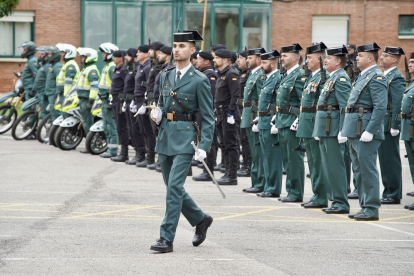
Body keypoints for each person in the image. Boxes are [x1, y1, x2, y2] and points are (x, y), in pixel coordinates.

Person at [149, 30, 215, 253]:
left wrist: (204, 146)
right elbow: (162, 103)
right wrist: (157, 114)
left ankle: (166, 238)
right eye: (175, 46)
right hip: (166, 135)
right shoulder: (166, 75)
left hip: (187, 138)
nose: (177, 49)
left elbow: (208, 117)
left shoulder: (200, 80)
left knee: (175, 187)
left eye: (182, 46)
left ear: (192, 50)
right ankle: (200, 219)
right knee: (172, 187)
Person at [342, 42, 387, 221]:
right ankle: (364, 206)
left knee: (368, 170)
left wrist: (371, 130)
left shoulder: (376, 77)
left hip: (365, 130)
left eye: (359, 56)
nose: (356, 58)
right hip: (355, 130)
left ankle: (371, 208)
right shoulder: (362, 75)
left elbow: (380, 107)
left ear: (369, 58)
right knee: (359, 170)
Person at [313, 45, 351, 214]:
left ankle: (341, 202)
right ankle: (334, 200)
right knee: (328, 166)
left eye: (328, 58)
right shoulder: (331, 78)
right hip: (325, 129)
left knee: (336, 167)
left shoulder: (341, 78)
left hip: (334, 129)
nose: (325, 60)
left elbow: (344, 107)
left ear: (338, 61)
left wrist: (343, 130)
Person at [297, 42, 328, 208]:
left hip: (314, 124)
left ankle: (321, 197)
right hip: (307, 124)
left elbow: (321, 104)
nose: (306, 61)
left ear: (319, 59)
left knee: (317, 163)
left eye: (309, 58)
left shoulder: (323, 77)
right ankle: (317, 195)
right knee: (313, 163)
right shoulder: (312, 76)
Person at [274, 43, 305, 202]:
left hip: (292, 121)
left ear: (294, 58)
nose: (282, 58)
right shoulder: (286, 75)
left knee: (294, 159)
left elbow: (303, 101)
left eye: (285, 56)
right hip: (282, 120)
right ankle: (290, 191)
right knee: (287, 159)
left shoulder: (300, 75)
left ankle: (296, 192)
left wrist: (300, 119)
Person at [377, 47, 406, 204]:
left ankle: (393, 193)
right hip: (382, 123)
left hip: (389, 124)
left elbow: (397, 103)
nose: (381, 58)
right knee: (383, 159)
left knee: (390, 159)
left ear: (394, 59)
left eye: (385, 56)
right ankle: (388, 191)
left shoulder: (396, 77)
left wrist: (395, 124)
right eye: (382, 55)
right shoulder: (385, 75)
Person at [254, 50, 283, 197]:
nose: (261, 65)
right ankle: (268, 186)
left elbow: (278, 101)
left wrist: (276, 121)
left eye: (264, 62)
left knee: (272, 158)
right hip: (264, 121)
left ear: (273, 63)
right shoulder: (267, 78)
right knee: (265, 157)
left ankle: (273, 188)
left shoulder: (278, 78)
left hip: (271, 122)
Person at [213, 48, 241, 185]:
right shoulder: (221, 74)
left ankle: (232, 176)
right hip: (220, 113)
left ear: (225, 60)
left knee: (231, 145)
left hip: (228, 114)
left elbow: (235, 95)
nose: (214, 60)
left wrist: (230, 113)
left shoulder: (231, 74)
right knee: (224, 144)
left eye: (217, 58)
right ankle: (226, 172)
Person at [240, 48, 266, 192]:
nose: (247, 60)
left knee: (257, 152)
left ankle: (260, 182)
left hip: (254, 115)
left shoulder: (260, 75)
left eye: (250, 58)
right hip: (248, 113)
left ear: (258, 60)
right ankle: (256, 181)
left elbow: (263, 98)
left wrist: (259, 117)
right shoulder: (252, 74)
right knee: (252, 151)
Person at [193, 51, 219, 181]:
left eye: (199, 59)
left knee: (209, 141)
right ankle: (205, 168)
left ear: (206, 62)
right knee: (202, 138)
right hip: (200, 111)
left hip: (206, 112)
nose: (196, 61)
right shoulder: (203, 74)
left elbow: (211, 96)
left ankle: (209, 170)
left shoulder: (210, 75)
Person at [131, 45, 156, 167]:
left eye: (140, 52)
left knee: (148, 130)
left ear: (147, 54)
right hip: (138, 100)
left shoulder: (147, 67)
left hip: (145, 101)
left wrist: (146, 101)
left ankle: (150, 157)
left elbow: (149, 86)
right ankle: (143, 155)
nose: (137, 54)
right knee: (142, 129)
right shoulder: (141, 66)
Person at [75, 47, 100, 153]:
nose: (82, 59)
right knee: (85, 122)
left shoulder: (92, 70)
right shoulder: (86, 69)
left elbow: (95, 87)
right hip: (82, 99)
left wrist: (91, 101)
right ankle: (90, 145)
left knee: (88, 122)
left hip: (87, 100)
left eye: (84, 57)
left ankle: (92, 145)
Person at [98, 43, 120, 157]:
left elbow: (114, 86)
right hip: (103, 100)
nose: (103, 55)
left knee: (111, 125)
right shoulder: (107, 66)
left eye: (105, 53)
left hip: (108, 101)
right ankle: (109, 148)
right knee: (106, 125)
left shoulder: (112, 67)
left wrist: (111, 101)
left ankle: (113, 151)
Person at [400, 52, 414, 210]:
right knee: (412, 164)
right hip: (409, 127)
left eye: (412, 62)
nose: (410, 64)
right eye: (409, 62)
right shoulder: (411, 82)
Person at [109, 50, 128, 160]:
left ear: (121, 58)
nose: (113, 58)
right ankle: (122, 152)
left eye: (115, 57)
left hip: (120, 101)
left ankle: (124, 154)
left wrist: (123, 99)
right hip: (116, 100)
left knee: (122, 127)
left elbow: (126, 85)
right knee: (119, 127)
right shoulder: (117, 69)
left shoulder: (123, 70)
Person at [236, 50, 252, 177]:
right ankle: (245, 162)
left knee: (246, 139)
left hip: (246, 108)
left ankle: (248, 165)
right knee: (242, 138)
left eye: (241, 58)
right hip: (241, 107)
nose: (239, 61)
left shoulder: (249, 74)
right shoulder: (241, 73)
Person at [55, 43, 80, 120]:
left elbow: (68, 83)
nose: (61, 54)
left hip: (67, 94)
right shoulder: (67, 64)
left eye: (63, 53)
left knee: (67, 116)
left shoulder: (70, 65)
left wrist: (66, 96)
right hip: (63, 93)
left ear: (69, 53)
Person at [44, 46, 63, 123]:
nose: (48, 56)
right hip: (50, 93)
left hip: (53, 94)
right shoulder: (53, 65)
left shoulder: (58, 66)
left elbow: (59, 81)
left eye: (49, 54)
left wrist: (56, 94)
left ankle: (54, 133)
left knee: (55, 114)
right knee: (52, 113)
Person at [32, 46, 50, 120]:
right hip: (39, 92)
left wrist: (46, 92)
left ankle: (49, 130)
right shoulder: (43, 65)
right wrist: (33, 89)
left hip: (43, 92)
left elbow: (49, 81)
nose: (40, 56)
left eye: (42, 54)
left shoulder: (48, 66)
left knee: (45, 113)